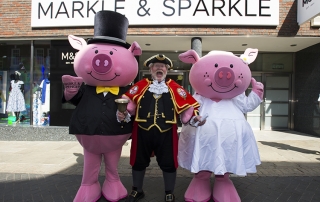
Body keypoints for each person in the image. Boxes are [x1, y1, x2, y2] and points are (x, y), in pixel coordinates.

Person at [117, 54, 206, 202]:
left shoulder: (175, 88)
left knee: (169, 162)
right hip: (142, 130)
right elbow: (127, 103)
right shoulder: (141, 85)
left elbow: (190, 107)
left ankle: (169, 192)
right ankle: (137, 190)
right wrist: (122, 113)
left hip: (167, 132)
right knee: (138, 160)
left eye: (163, 66)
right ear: (151, 69)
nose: (160, 68)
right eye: (156, 66)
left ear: (167, 69)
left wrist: (195, 118)